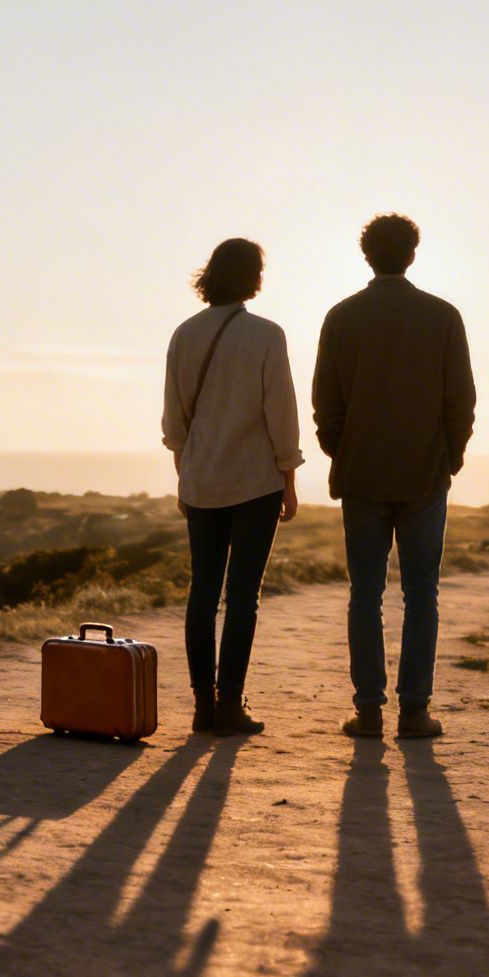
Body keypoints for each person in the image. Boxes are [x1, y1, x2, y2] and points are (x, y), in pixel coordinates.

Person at [311, 214, 476, 739]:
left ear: (366, 255)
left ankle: (368, 711)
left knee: (365, 593)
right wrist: (449, 458)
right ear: (413, 252)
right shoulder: (443, 316)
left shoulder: (341, 317)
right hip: (425, 475)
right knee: (421, 593)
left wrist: (343, 450)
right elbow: (461, 402)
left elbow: (325, 405)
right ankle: (415, 711)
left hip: (361, 475)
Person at [162, 238, 303, 736]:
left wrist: (186, 477)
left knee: (202, 592)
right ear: (253, 277)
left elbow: (174, 425)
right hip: (255, 483)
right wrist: (289, 478)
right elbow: (280, 412)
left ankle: (202, 705)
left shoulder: (183, 335)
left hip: (201, 481)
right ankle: (230, 704)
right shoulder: (266, 335)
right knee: (242, 597)